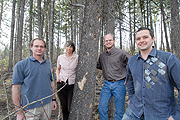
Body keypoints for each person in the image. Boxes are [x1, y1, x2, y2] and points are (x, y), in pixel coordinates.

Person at [122, 27, 180, 120]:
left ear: (153, 39)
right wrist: (131, 99)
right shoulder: (132, 61)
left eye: (145, 37)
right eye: (138, 39)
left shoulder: (168, 59)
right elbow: (130, 82)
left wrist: (177, 116)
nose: (142, 41)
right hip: (135, 111)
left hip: (160, 113)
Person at [12, 38, 57, 120]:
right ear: (31, 47)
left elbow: (52, 83)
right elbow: (16, 87)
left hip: (47, 104)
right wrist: (18, 111)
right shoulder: (21, 65)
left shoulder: (49, 65)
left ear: (45, 49)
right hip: (30, 106)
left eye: (41, 46)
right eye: (36, 46)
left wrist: (53, 99)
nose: (39, 48)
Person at [97, 34, 131, 120]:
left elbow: (133, 63)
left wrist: (129, 77)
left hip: (119, 84)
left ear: (114, 41)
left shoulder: (121, 53)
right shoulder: (102, 55)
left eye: (110, 40)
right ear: (104, 42)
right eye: (106, 41)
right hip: (106, 84)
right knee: (101, 108)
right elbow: (99, 66)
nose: (108, 42)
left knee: (119, 111)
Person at [56, 41, 78, 120]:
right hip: (61, 83)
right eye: (67, 46)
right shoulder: (60, 57)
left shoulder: (76, 57)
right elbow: (58, 69)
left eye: (71, 47)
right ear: (65, 47)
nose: (69, 48)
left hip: (71, 84)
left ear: (73, 48)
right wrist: (58, 77)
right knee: (63, 105)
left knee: (70, 106)